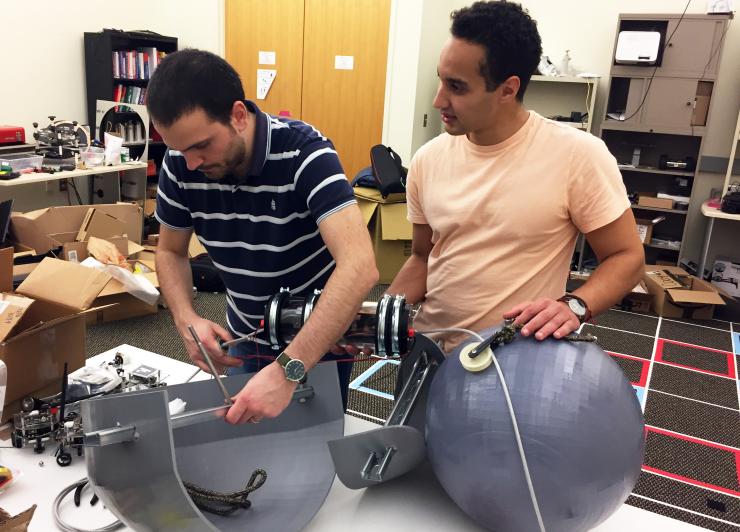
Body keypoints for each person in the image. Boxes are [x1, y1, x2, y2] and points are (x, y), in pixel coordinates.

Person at [387, 1, 644, 349]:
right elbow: (422, 257)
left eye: (457, 87)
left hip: (513, 359)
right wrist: (380, 315)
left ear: (508, 89)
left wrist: (574, 305)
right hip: (428, 352)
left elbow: (627, 258)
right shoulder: (427, 159)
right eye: (440, 81)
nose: (438, 100)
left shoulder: (577, 154)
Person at [147, 49, 378, 424]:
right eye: (178, 149)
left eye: (202, 146)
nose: (191, 164)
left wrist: (290, 367)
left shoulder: (306, 154)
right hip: (246, 340)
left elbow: (360, 267)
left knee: (316, 453)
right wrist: (186, 318)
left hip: (317, 341)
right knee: (245, 449)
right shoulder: (180, 164)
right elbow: (170, 251)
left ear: (238, 116)